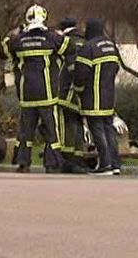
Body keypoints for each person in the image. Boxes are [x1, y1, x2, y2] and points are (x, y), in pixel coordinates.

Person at [0, 5, 72, 173]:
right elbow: (70, 48)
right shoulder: (52, 38)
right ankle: (52, 163)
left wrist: (14, 33)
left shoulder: (18, 40)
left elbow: (2, 50)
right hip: (47, 93)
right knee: (51, 130)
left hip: (27, 94)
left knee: (26, 130)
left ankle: (23, 163)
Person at [74, 18, 121, 175]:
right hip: (109, 96)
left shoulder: (89, 47)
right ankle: (115, 165)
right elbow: (116, 68)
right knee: (109, 130)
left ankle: (105, 165)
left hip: (93, 96)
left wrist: (78, 89)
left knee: (98, 130)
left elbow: (81, 73)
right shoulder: (111, 45)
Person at [56, 18, 87, 173]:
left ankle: (68, 159)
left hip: (67, 90)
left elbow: (67, 67)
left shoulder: (66, 42)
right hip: (84, 92)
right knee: (79, 123)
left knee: (68, 124)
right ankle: (79, 157)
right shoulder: (84, 41)